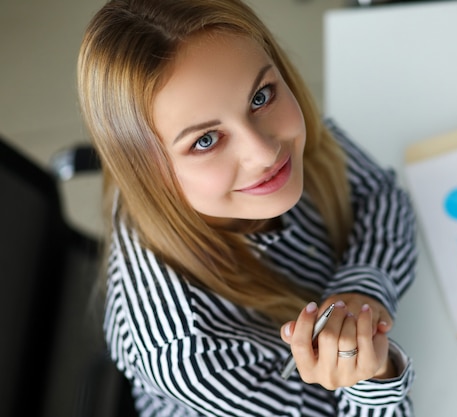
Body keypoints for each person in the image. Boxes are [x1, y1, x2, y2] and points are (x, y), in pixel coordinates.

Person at [77, 0, 418, 415]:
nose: (265, 151)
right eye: (205, 140)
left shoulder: (256, 107)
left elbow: (382, 196)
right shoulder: (187, 348)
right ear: (148, 171)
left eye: (261, 95)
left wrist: (361, 293)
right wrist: (374, 371)